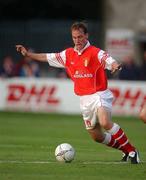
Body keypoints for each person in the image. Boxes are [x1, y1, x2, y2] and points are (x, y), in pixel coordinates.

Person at [15, 21, 140, 164]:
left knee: (105, 122)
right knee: (97, 136)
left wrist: (114, 65)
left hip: (99, 94)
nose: (77, 40)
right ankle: (125, 149)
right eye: (74, 37)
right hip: (84, 99)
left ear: (86, 35)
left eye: (80, 37)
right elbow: (47, 57)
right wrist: (28, 54)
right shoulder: (68, 55)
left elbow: (108, 59)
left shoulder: (95, 52)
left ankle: (132, 151)